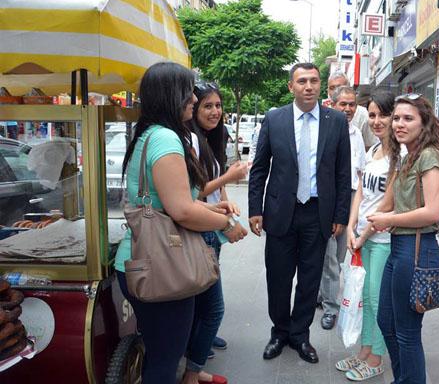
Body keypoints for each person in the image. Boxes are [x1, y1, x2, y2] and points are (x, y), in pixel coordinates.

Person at [114, 62, 246, 384]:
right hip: (161, 264)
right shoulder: (165, 139)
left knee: (159, 352)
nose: (193, 98)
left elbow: (173, 199)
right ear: (172, 96)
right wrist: (226, 225)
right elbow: (182, 210)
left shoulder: (149, 135)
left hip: (141, 259)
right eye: (188, 92)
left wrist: (215, 211)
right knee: (164, 362)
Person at [248, 62, 351, 364]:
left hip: (318, 213)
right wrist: (256, 209)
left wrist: (341, 215)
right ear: (291, 87)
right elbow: (259, 169)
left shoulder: (335, 121)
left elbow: (342, 173)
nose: (309, 86)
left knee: (310, 280)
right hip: (281, 212)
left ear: (321, 86)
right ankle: (279, 332)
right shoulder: (274, 119)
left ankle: (300, 335)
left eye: (314, 81)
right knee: (278, 278)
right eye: (302, 81)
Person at [365, 94, 439, 383]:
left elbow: (432, 212)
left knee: (406, 331)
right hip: (400, 248)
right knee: (386, 322)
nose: (398, 124)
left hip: (416, 249)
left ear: (424, 123)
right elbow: (390, 202)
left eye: (408, 118)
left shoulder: (429, 155)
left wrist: (387, 220)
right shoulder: (408, 154)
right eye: (397, 118)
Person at [183, 82, 249, 384]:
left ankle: (201, 344)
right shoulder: (190, 141)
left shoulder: (211, 138)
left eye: (218, 106)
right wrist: (231, 176)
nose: (215, 111)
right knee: (212, 305)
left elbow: (213, 182)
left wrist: (226, 200)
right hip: (200, 227)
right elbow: (193, 194)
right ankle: (194, 365)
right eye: (207, 106)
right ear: (193, 109)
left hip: (212, 224)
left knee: (206, 298)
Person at [335, 91, 395, 381]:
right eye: (371, 115)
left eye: (383, 114)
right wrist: (350, 226)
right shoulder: (373, 151)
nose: (377, 120)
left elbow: (390, 202)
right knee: (364, 297)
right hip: (361, 237)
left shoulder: (401, 154)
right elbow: (360, 191)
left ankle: (377, 357)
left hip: (382, 240)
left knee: (376, 300)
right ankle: (365, 349)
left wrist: (365, 233)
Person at [319, 86, 366, 330]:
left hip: (351, 197)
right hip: (331, 197)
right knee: (330, 257)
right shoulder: (324, 130)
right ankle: (330, 307)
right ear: (332, 104)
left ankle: (322, 294)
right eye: (343, 104)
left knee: (338, 255)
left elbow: (360, 169)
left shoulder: (356, 132)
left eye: (351, 105)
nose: (347, 109)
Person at [323, 72, 378, 150]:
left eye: (339, 87)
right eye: (332, 88)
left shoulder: (362, 115)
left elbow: (370, 144)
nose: (335, 91)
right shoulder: (323, 114)